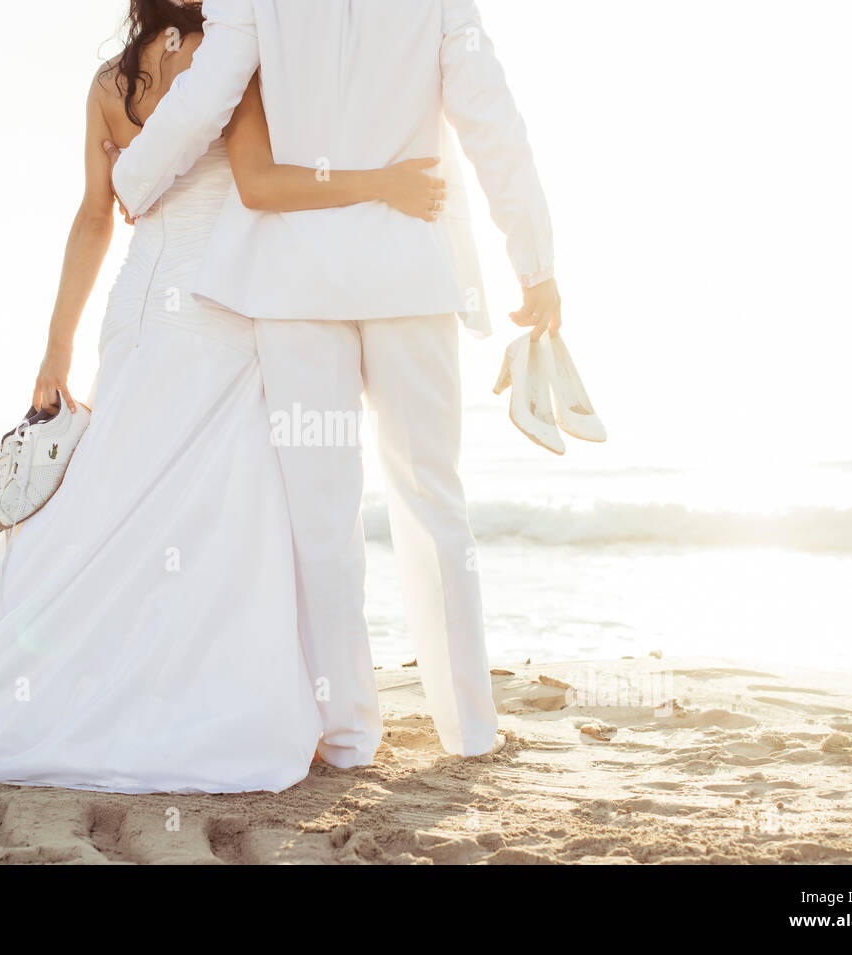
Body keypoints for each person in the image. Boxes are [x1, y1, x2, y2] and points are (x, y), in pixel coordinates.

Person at [0, 0, 445, 794]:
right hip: (218, 314)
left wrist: (57, 348)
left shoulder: (107, 86)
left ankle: (97, 678)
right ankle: (193, 690)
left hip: (137, 316)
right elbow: (258, 185)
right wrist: (380, 184)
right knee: (213, 511)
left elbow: (94, 218)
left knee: (118, 504)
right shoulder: (229, 54)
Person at [110, 0, 562, 767]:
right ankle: (472, 731)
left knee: (321, 518)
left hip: (297, 286)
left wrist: (135, 175)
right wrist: (535, 259)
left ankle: (348, 734)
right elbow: (491, 118)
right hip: (409, 275)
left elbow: (206, 95)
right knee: (434, 503)